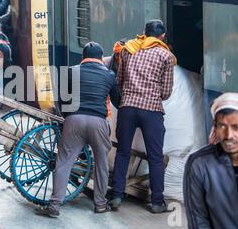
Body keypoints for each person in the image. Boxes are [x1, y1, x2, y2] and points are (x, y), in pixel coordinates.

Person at [37, 42, 121, 217]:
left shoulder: (72, 71)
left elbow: (61, 99)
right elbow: (117, 101)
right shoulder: (109, 75)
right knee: (102, 164)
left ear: (83, 57)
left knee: (64, 162)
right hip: (98, 122)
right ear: (101, 57)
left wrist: (67, 118)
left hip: (74, 120)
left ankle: (54, 206)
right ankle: (100, 204)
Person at [110, 20, 177, 213]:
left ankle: (116, 196)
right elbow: (166, 92)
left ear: (143, 33)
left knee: (123, 152)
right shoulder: (166, 56)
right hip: (152, 111)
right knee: (155, 157)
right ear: (162, 37)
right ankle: (157, 202)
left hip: (127, 108)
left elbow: (119, 80)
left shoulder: (128, 49)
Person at [184, 93, 238, 229]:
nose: (228, 135)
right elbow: (199, 223)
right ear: (215, 126)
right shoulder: (199, 165)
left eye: (236, 127)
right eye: (222, 126)